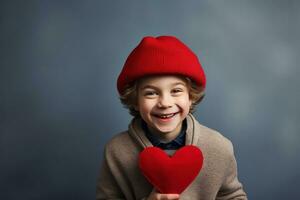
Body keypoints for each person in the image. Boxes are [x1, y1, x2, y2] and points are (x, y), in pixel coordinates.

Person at [96, 35, 247, 200]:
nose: (165, 103)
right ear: (135, 100)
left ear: (191, 97)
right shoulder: (116, 151)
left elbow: (232, 196)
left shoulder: (218, 147)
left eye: (176, 91)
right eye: (151, 93)